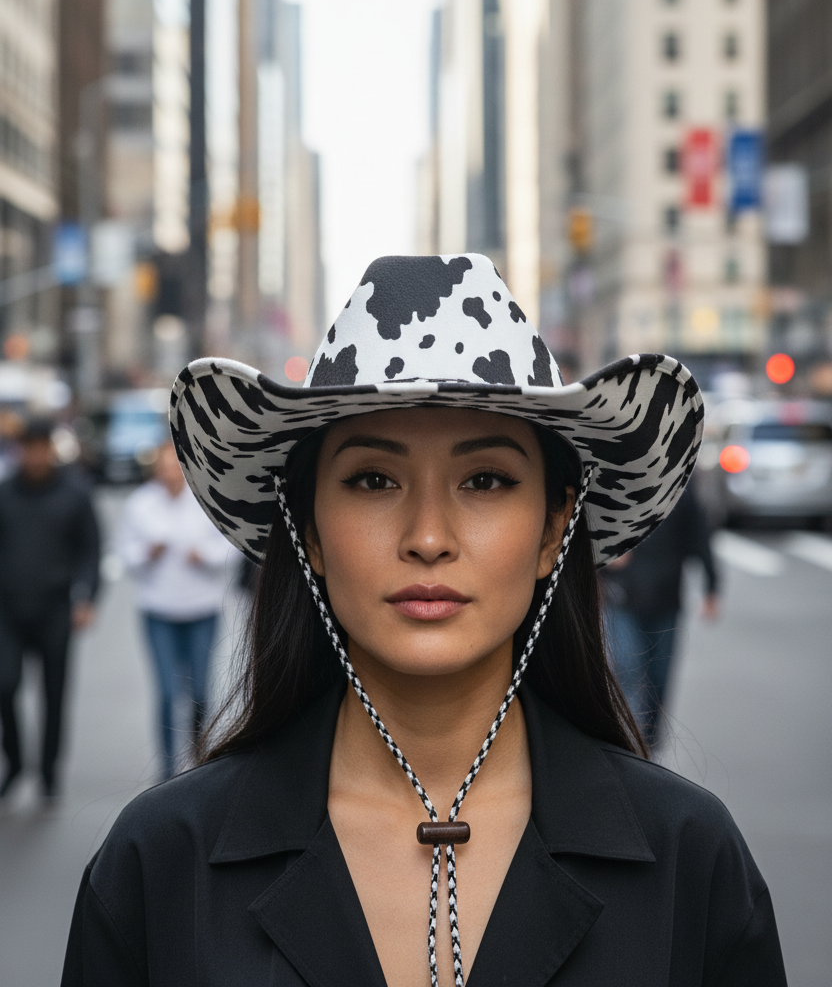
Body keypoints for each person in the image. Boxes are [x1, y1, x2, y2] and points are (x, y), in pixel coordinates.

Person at [63, 254, 786, 986]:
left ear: (551, 529)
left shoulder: (692, 861)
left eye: (486, 480)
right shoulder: (158, 866)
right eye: (373, 480)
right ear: (309, 528)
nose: (429, 535)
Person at [117, 440, 234, 779]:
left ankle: (199, 761)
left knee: (199, 691)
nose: (169, 472)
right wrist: (146, 554)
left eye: (175, 466)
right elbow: (124, 554)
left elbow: (231, 546)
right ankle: (167, 771)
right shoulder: (141, 505)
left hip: (201, 610)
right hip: (159, 612)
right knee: (168, 693)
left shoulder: (205, 500)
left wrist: (206, 556)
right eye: (163, 466)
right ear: (155, 469)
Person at [0, 415, 100, 800]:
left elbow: (89, 549)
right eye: (28, 448)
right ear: (20, 450)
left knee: (54, 692)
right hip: (8, 610)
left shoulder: (73, 493)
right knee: (4, 684)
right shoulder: (5, 493)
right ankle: (14, 760)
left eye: (41, 447)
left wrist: (86, 595)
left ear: (51, 450)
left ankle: (47, 769)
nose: (35, 455)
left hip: (55, 608)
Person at [601, 479, 719, 750]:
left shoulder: (681, 489)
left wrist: (711, 586)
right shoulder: (618, 480)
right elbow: (588, 527)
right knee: (628, 669)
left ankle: (648, 746)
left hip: (666, 600)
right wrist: (608, 551)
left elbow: (699, 536)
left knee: (659, 679)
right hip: (623, 598)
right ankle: (631, 745)